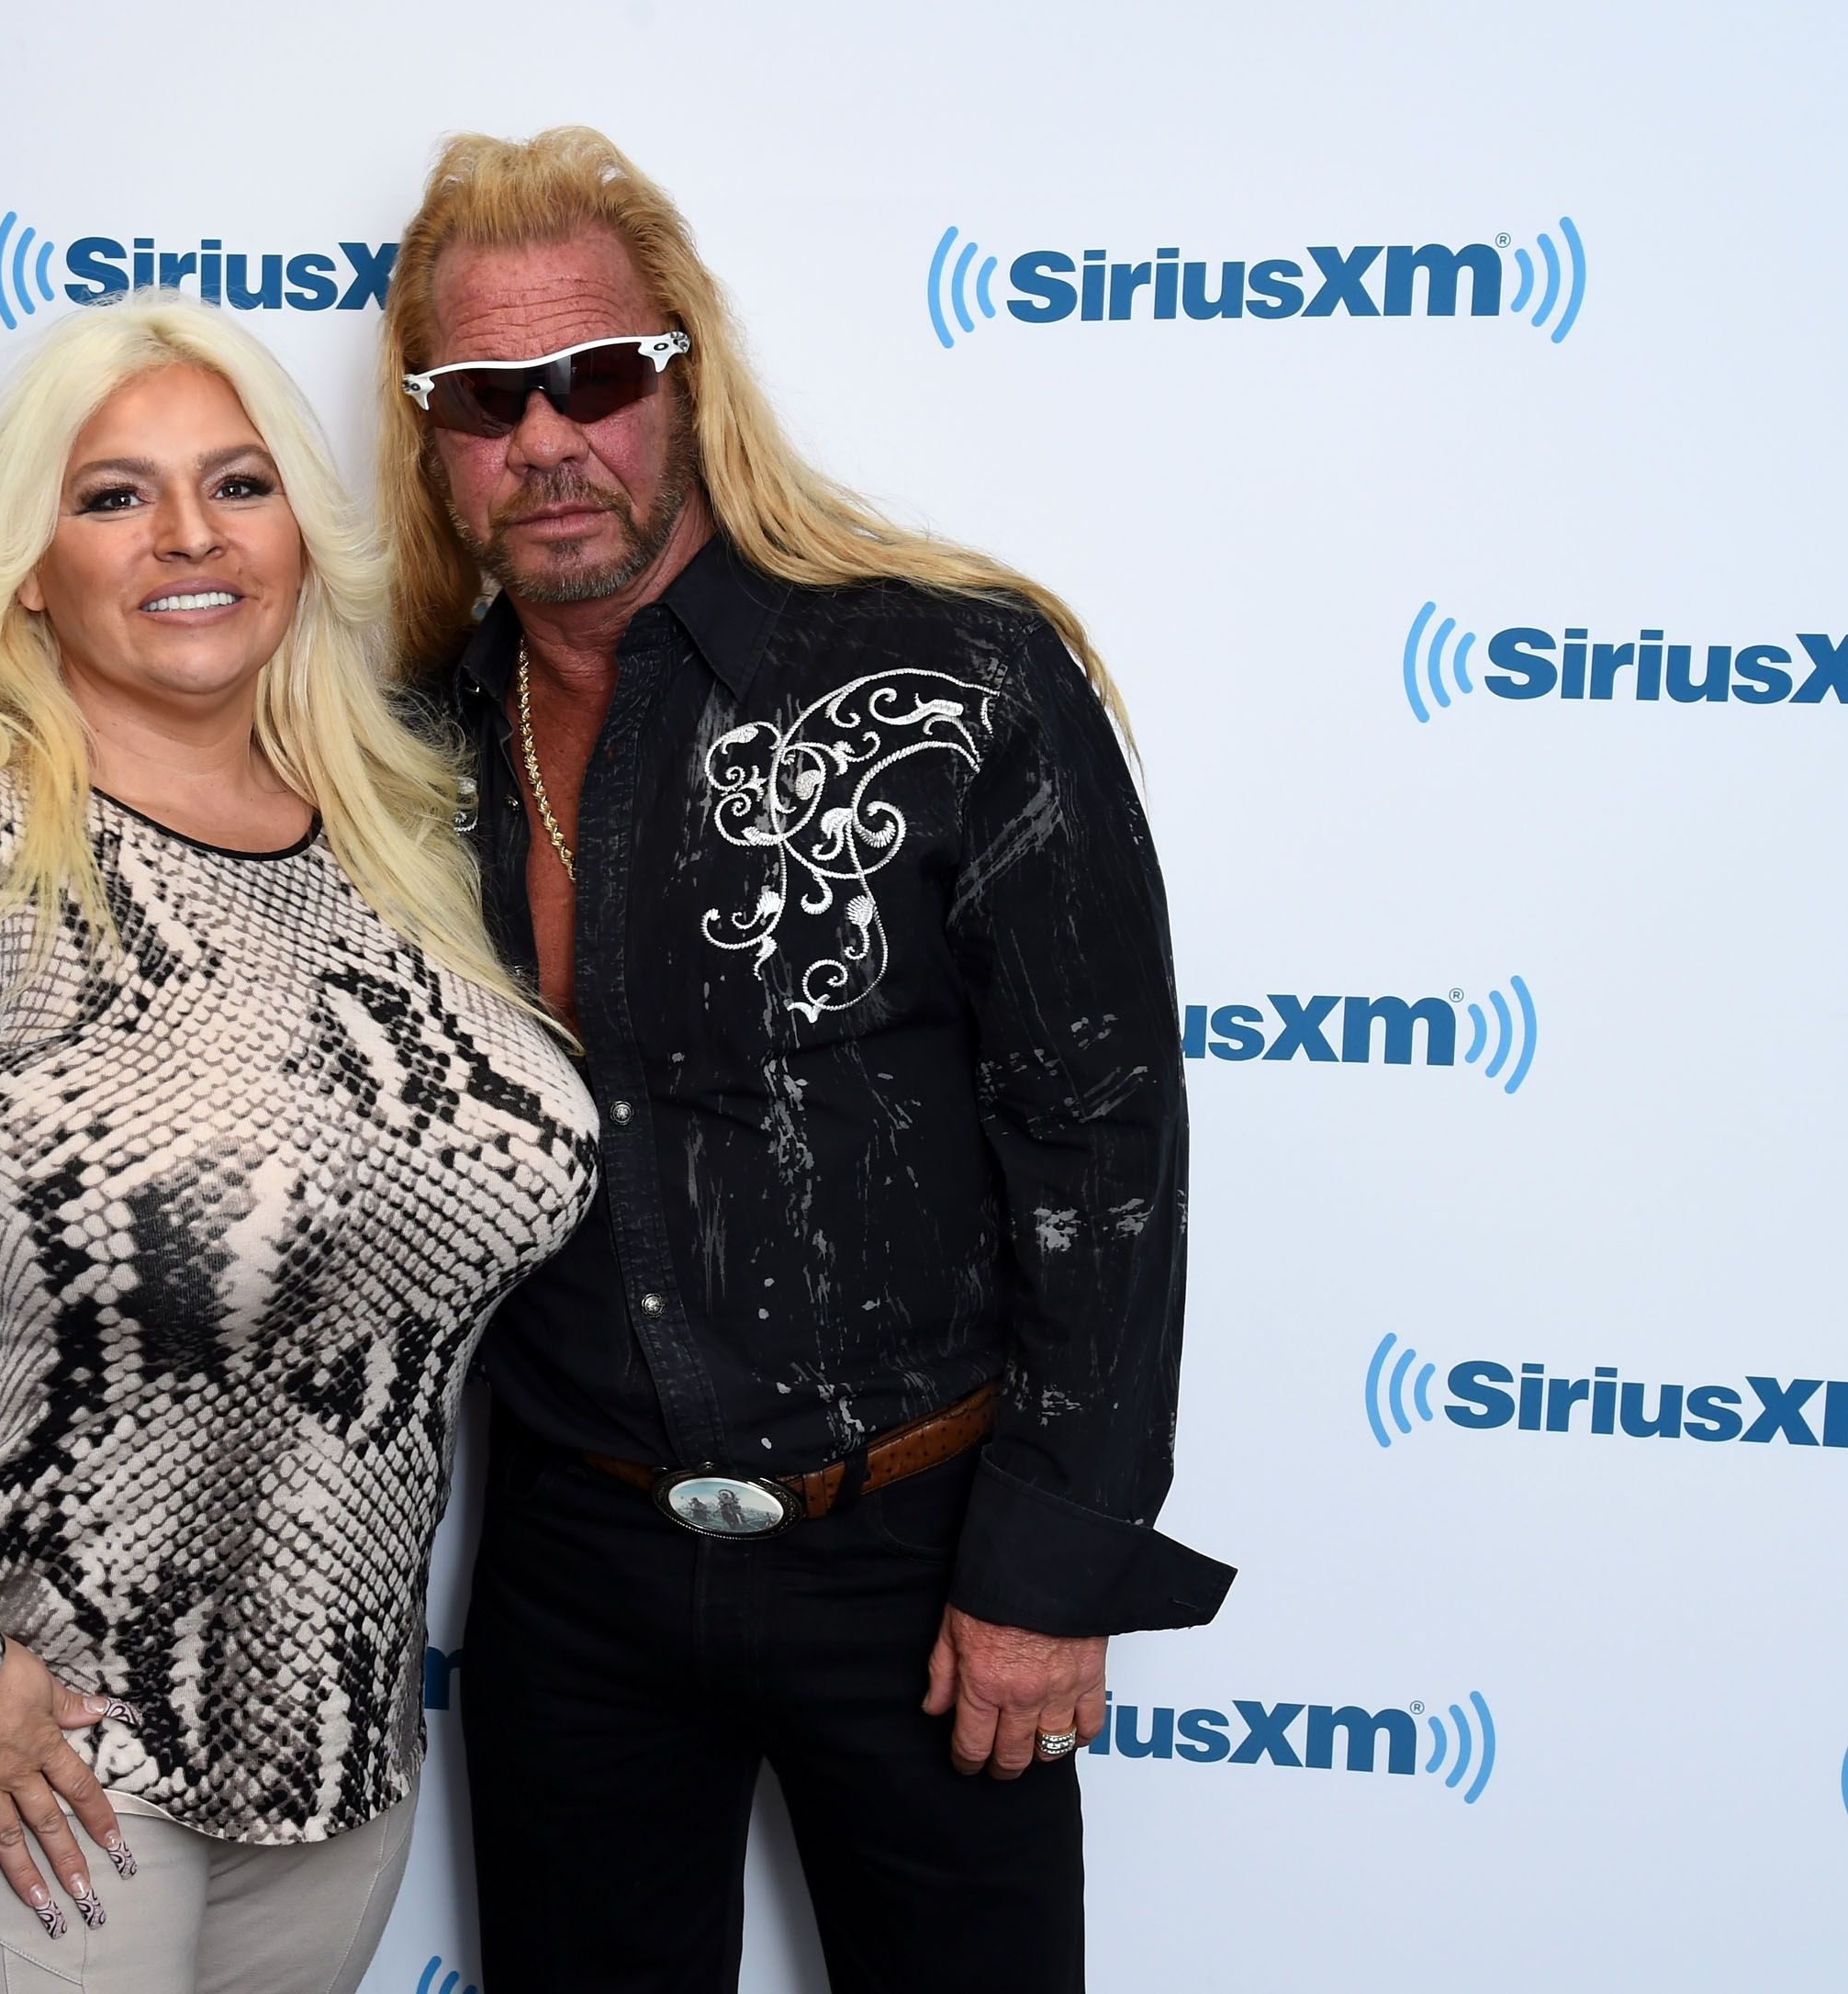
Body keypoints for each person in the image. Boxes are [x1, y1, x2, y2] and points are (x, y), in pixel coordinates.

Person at [374, 129, 1236, 1992]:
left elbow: (1105, 1148)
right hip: (573, 1568)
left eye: (595, 380)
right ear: (428, 433)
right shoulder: (401, 742)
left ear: (683, 377)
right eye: (483, 399)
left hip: (922, 1560)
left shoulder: (955, 679)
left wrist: (1048, 1564)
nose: (547, 443)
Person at [0, 295, 597, 1994]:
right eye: (113, 496)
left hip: (334, 1753)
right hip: (45, 1769)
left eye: (239, 485)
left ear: (300, 535)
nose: (188, 536)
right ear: (27, 564)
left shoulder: (393, 841)